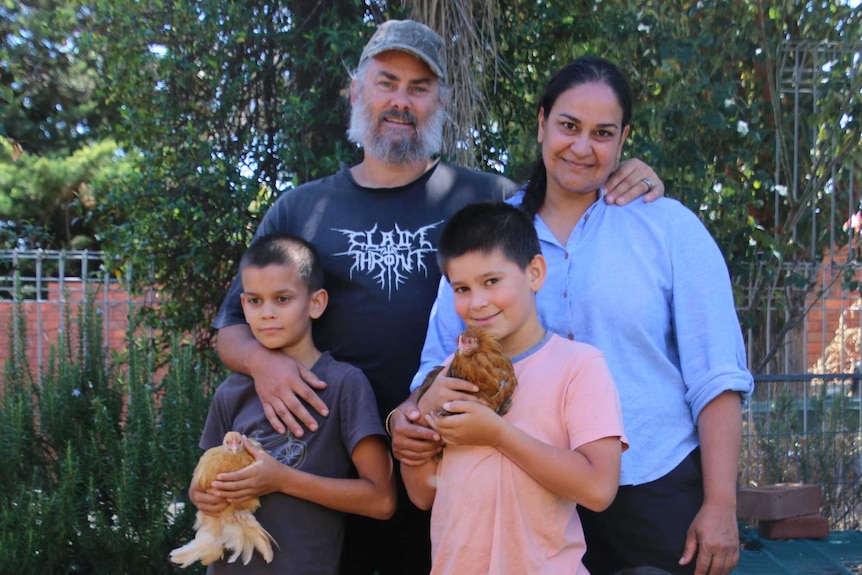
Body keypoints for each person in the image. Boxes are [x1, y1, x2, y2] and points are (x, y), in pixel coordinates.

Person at [213, 19, 664, 574]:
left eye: (420, 88)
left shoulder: (491, 196)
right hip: (329, 472)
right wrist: (264, 365)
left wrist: (630, 172)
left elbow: (574, 193)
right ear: (357, 91)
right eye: (387, 83)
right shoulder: (300, 209)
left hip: (448, 463)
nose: (401, 101)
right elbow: (233, 325)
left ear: (441, 103)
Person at [393, 56, 754, 575]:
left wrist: (721, 504)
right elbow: (437, 365)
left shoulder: (667, 227)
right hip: (520, 494)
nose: (582, 147)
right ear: (541, 122)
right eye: (568, 126)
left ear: (624, 139)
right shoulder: (495, 235)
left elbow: (716, 373)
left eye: (602, 133)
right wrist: (406, 416)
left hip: (650, 485)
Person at [400, 201, 628, 574]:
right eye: (461, 288)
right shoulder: (449, 374)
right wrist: (421, 423)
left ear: (535, 273)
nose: (477, 302)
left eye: (492, 281)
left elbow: (599, 489)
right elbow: (422, 493)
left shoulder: (579, 366)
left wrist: (497, 435)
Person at [192, 233, 396, 574]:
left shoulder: (344, 385)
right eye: (255, 302)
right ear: (242, 306)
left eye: (282, 299)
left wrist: (282, 480)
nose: (267, 313)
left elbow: (382, 500)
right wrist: (203, 496)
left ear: (316, 303)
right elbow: (201, 487)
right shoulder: (231, 392)